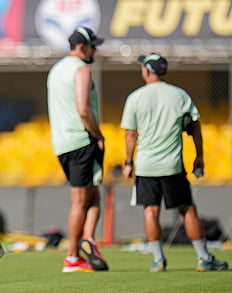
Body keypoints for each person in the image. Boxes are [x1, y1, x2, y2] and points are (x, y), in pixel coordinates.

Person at [120, 53, 228, 272]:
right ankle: (203, 258)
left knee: (150, 210)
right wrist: (199, 156)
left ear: (147, 71)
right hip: (172, 165)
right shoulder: (179, 95)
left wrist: (128, 162)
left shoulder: (136, 97)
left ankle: (158, 260)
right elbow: (195, 126)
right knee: (187, 210)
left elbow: (131, 134)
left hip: (146, 165)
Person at [47, 26, 108, 272]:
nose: (95, 50)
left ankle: (86, 242)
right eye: (93, 46)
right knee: (81, 201)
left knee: (92, 196)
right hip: (82, 140)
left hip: (61, 143)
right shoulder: (82, 69)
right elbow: (83, 110)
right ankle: (73, 255)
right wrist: (98, 134)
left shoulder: (55, 70)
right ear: (83, 47)